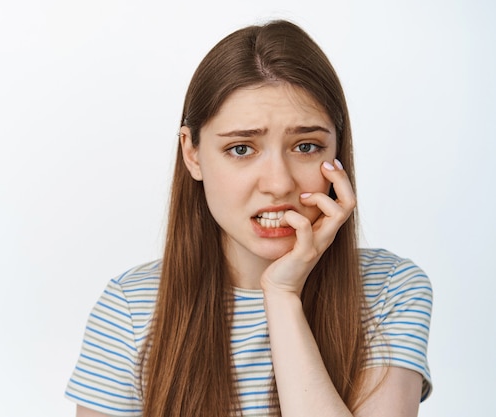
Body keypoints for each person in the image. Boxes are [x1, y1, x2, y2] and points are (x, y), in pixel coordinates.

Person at [64, 19, 432, 417]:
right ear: (192, 154)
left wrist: (282, 296)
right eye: (241, 149)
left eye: (306, 146)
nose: (278, 183)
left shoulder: (390, 290)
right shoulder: (132, 308)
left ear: (337, 152)